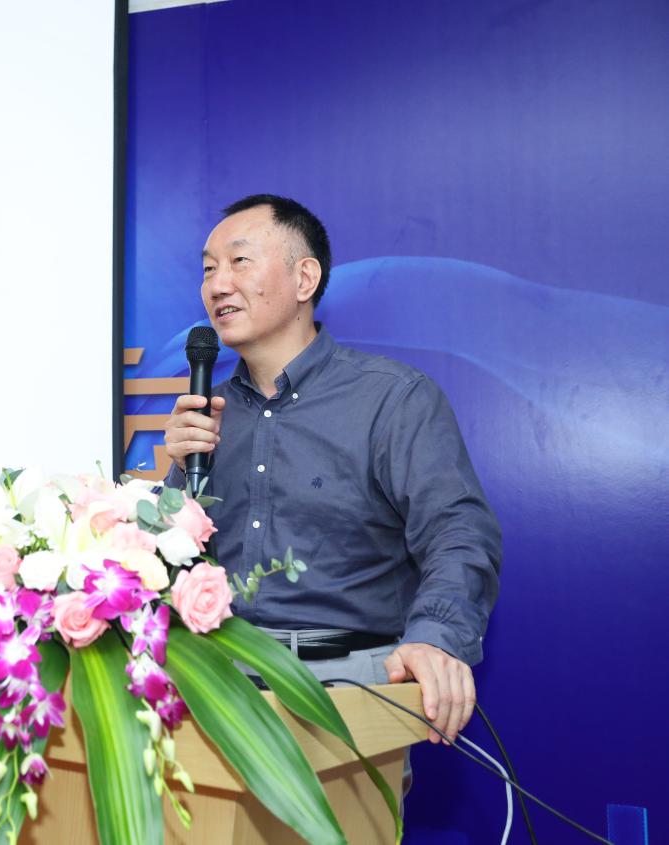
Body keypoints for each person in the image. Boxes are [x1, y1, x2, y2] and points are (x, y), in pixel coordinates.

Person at [162, 194, 501, 753]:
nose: (218, 285)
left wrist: (438, 638)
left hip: (350, 686)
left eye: (239, 261)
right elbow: (168, 563)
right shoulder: (204, 413)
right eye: (208, 269)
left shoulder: (392, 399)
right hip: (215, 681)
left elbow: (458, 532)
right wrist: (177, 476)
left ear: (305, 278)